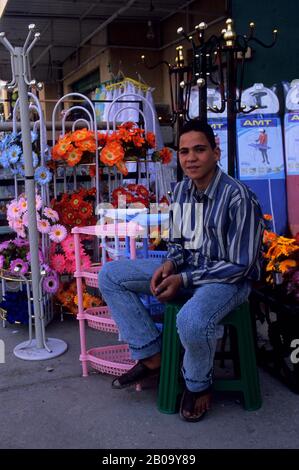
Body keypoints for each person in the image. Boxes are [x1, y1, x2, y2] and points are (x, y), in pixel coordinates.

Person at [98, 120, 265, 423]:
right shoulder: (183, 191)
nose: (190, 158)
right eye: (184, 151)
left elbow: (240, 264)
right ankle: (152, 356)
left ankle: (198, 384)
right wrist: (170, 264)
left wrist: (183, 278)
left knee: (189, 320)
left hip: (227, 282)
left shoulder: (239, 197)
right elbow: (181, 243)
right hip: (189, 270)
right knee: (110, 275)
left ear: (216, 152)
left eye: (199, 150)